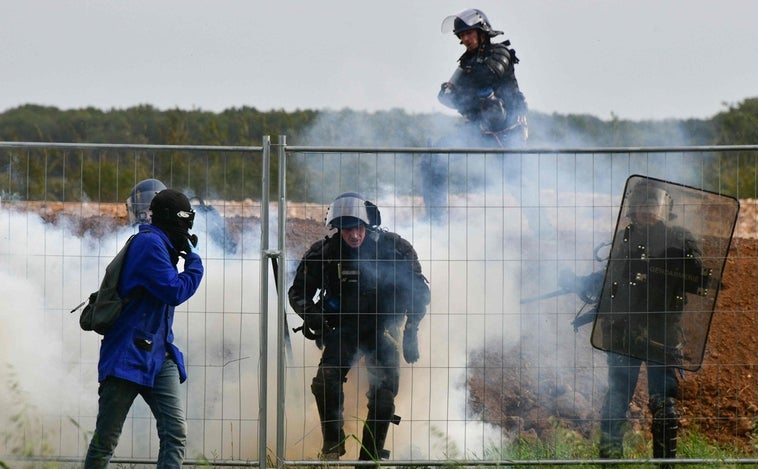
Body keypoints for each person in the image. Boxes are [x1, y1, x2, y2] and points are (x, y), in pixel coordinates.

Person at [567, 180, 705, 465]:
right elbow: (610, 279)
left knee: (664, 407)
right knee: (616, 401)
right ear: (633, 208)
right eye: (642, 204)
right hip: (623, 331)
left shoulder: (680, 238)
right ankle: (610, 463)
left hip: (662, 334)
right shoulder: (624, 238)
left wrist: (673, 264)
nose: (647, 210)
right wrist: (580, 282)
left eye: (653, 204)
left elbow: (699, 279)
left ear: (665, 209)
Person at [288, 192, 431, 461]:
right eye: (346, 229)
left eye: (358, 228)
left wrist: (411, 332)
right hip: (343, 330)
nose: (354, 235)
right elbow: (298, 293)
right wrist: (314, 317)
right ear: (338, 229)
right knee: (325, 382)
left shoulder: (393, 249)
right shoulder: (326, 253)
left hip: (382, 329)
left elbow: (419, 292)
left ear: (368, 225)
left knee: (384, 398)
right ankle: (333, 445)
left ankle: (369, 458)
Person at [84, 189, 204, 468]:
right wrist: (194, 263)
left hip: (158, 354)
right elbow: (174, 290)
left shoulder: (162, 246)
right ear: (171, 220)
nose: (187, 228)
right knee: (106, 441)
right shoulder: (149, 245)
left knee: (175, 434)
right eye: (184, 221)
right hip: (127, 355)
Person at [438, 8, 528, 147]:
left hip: (509, 128)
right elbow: (448, 96)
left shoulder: (500, 52)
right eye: (462, 35)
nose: (465, 39)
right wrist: (450, 92)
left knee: (489, 100)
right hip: (479, 128)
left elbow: (485, 79)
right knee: (438, 153)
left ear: (481, 33)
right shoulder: (466, 62)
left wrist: (461, 92)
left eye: (469, 33)